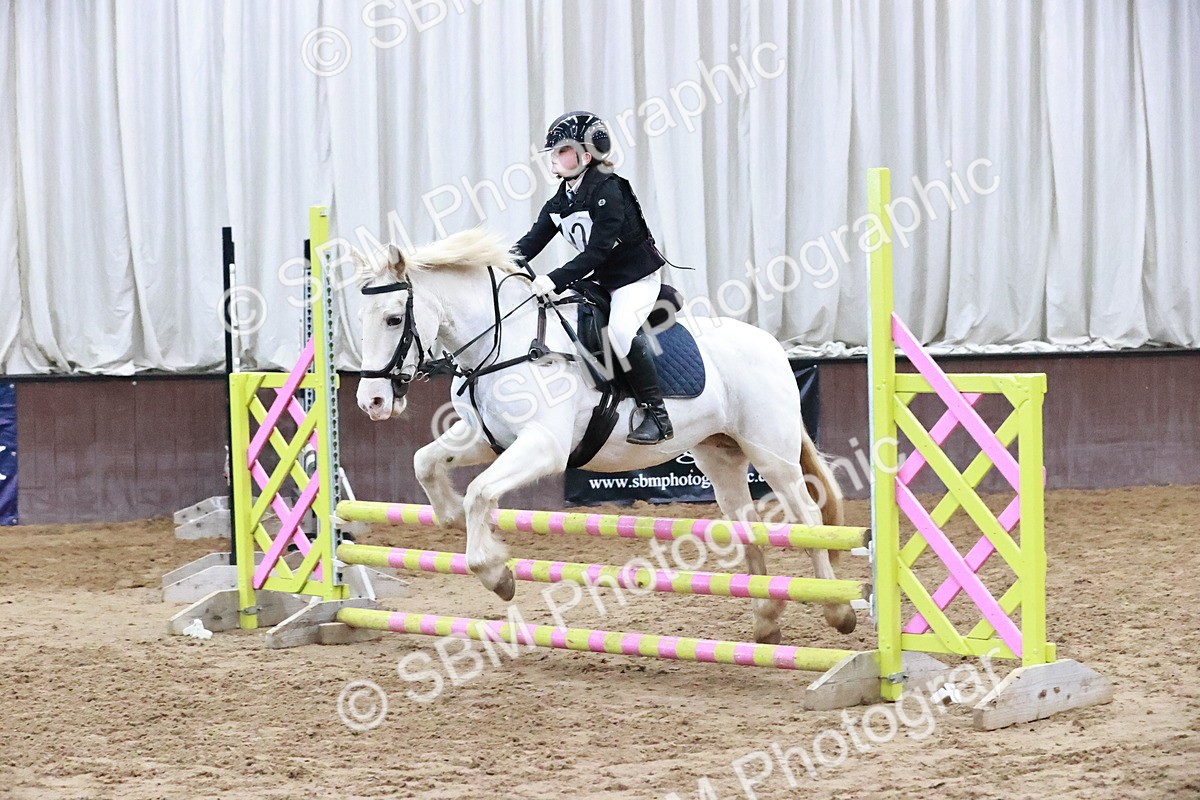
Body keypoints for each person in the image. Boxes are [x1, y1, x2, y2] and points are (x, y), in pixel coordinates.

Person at [511, 110, 673, 445]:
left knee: (619, 333)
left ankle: (656, 414)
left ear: (586, 156)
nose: (553, 158)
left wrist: (554, 278)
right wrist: (496, 265)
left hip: (635, 279)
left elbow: (597, 252)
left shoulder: (610, 191)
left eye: (561, 151)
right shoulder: (561, 200)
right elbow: (529, 243)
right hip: (601, 281)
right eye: (553, 152)